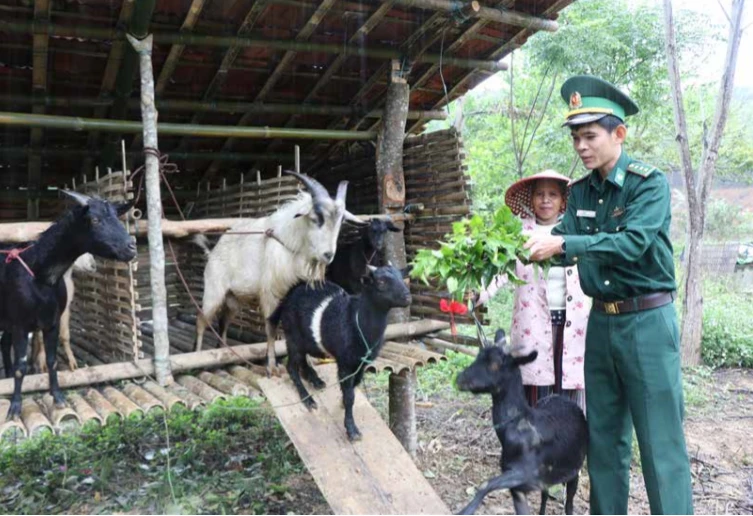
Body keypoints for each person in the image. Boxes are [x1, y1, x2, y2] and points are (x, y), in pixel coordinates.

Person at [523, 75, 693, 515]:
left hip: (648, 323)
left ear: (619, 134)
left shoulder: (647, 185)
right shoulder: (579, 193)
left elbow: (632, 243)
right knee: (603, 439)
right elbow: (556, 247)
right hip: (601, 325)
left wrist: (563, 245)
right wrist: (500, 250)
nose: (581, 146)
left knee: (660, 442)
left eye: (590, 136)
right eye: (576, 137)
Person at [476, 170, 590, 413]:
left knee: (569, 383)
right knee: (537, 386)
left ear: (562, 201)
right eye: (539, 194)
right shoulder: (518, 235)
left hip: (573, 323)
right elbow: (499, 272)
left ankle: (569, 444)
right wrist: (479, 294)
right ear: (531, 200)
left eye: (552, 194)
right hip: (534, 323)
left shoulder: (576, 232)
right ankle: (538, 446)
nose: (545, 200)